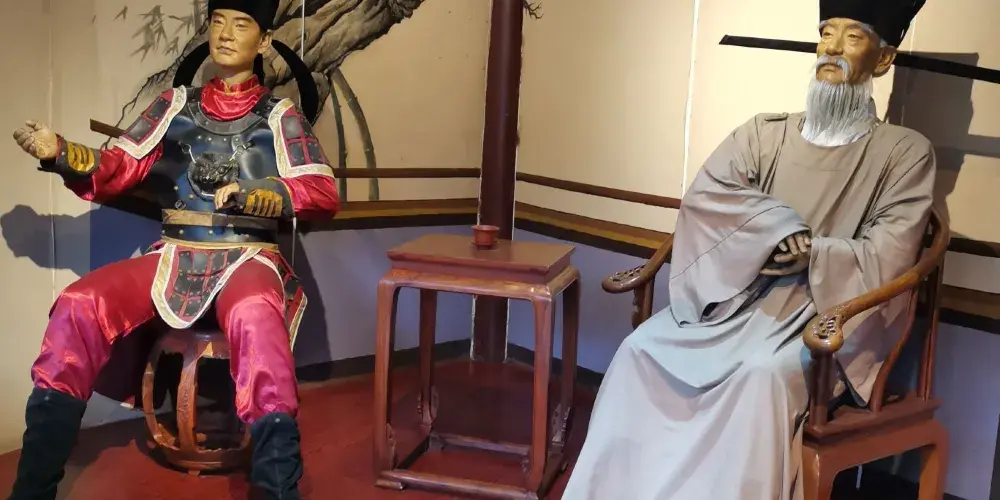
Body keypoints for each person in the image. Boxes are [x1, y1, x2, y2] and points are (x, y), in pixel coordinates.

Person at [562, 1, 935, 499]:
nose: (832, 49)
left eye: (852, 37)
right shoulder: (765, 132)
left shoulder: (904, 152)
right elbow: (710, 196)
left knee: (760, 378)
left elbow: (892, 249)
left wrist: (815, 253)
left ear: (883, 59)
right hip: (736, 300)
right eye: (827, 33)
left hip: (820, 321)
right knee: (640, 350)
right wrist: (776, 229)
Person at [8, 1, 338, 498]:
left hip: (247, 255)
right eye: (218, 22)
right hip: (175, 253)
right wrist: (61, 152)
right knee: (79, 303)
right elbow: (119, 166)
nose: (226, 34)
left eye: (242, 24)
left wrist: (260, 193)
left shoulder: (280, 116)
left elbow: (322, 191)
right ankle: (32, 488)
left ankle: (276, 490)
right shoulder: (173, 105)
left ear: (264, 41)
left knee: (255, 313)